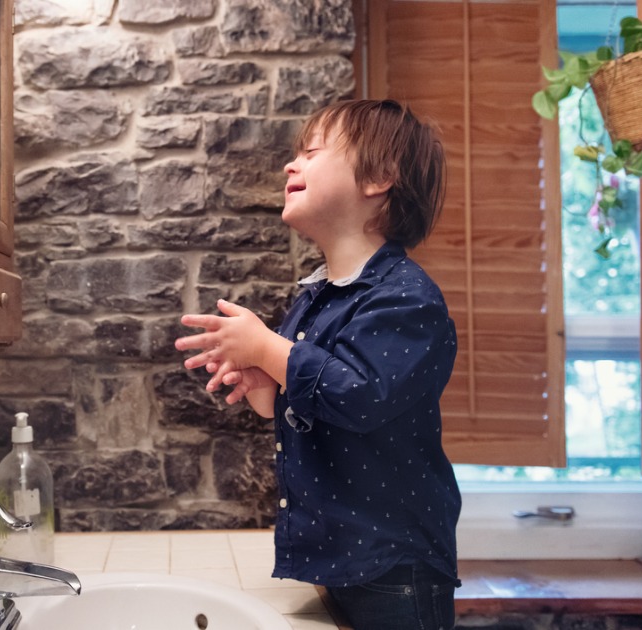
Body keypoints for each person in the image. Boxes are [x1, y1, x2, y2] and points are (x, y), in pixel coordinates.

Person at [174, 99, 460, 630]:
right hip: (343, 557)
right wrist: (265, 379)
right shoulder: (316, 297)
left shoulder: (406, 299)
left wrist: (266, 349)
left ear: (377, 177)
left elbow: (359, 396)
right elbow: (302, 399)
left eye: (311, 152)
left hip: (395, 564)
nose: (290, 164)